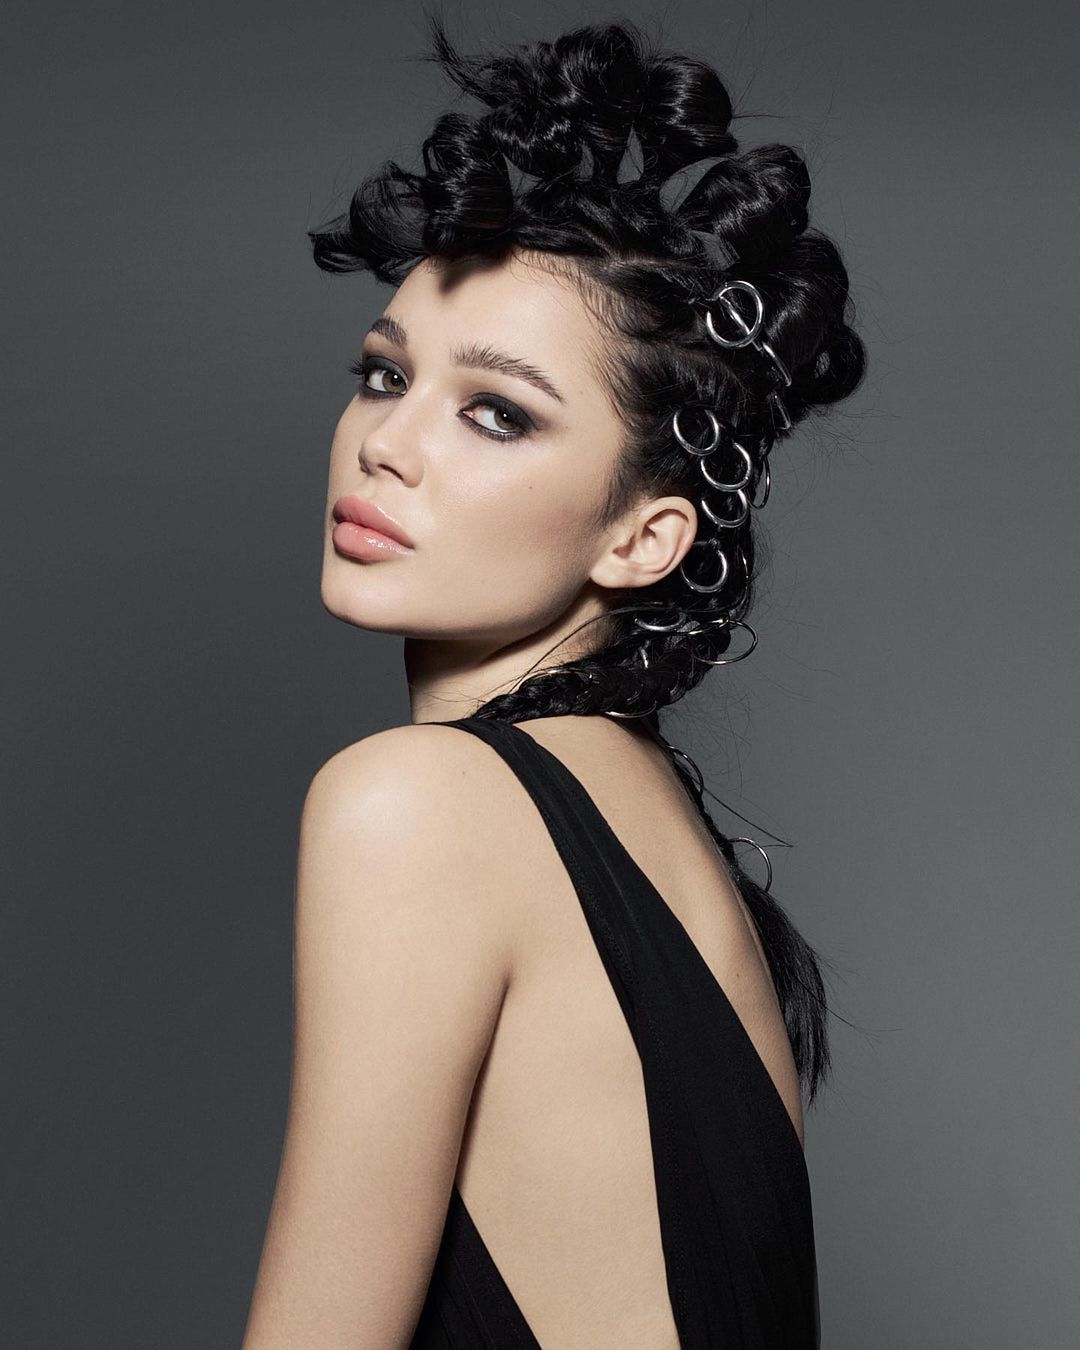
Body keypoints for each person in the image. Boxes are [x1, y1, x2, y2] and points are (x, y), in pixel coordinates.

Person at [242, 14, 866, 1349]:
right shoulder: (666, 831)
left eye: (497, 412)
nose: (387, 444)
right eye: (384, 374)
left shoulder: (419, 804)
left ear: (642, 536)